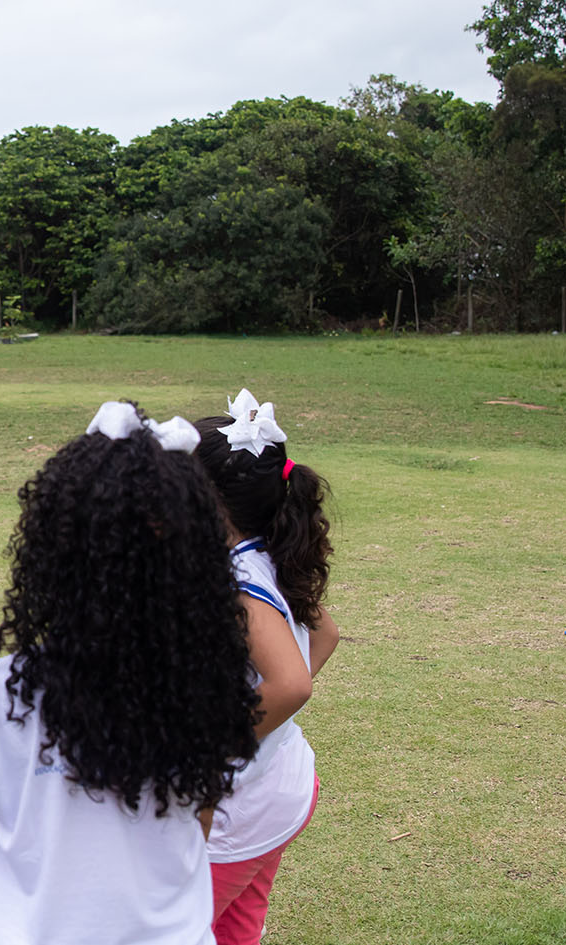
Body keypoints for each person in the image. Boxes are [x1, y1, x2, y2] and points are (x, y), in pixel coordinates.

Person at [0, 401, 262, 945]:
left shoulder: (6, 691)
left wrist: (28, 809)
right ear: (196, 558)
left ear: (52, 552)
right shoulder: (214, 683)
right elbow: (197, 824)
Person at [193, 390, 340, 945]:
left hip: (235, 816)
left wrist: (211, 744)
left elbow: (292, 683)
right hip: (281, 791)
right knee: (235, 932)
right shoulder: (268, 550)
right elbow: (323, 634)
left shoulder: (239, 586)